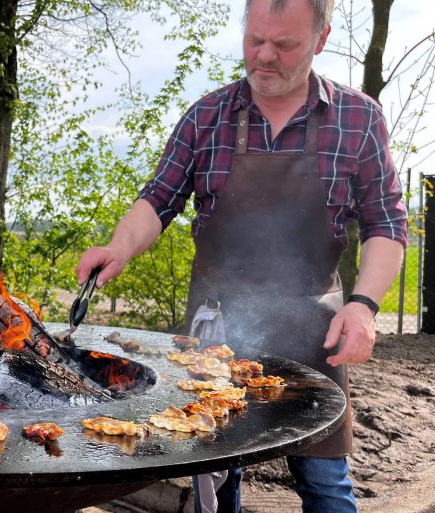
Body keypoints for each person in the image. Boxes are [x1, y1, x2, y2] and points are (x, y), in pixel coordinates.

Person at [76, 0, 407, 511]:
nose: (265, 56)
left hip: (314, 331)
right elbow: (157, 200)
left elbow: (386, 223)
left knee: (324, 483)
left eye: (285, 44)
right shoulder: (207, 115)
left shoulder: (358, 118)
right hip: (218, 329)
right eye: (255, 40)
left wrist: (364, 305)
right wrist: (119, 247)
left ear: (320, 40)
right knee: (214, 479)